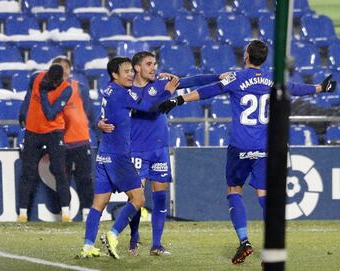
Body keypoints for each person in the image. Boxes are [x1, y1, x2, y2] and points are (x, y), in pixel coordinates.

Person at [158, 40, 337, 264]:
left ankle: (244, 240)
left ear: (246, 56)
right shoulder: (273, 79)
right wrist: (321, 88)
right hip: (265, 147)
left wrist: (178, 99)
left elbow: (208, 91)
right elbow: (297, 89)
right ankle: (272, 244)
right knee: (264, 195)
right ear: (263, 58)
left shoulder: (237, 77)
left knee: (234, 189)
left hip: (240, 146)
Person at [99, 51, 222, 256]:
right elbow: (148, 107)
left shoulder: (160, 83)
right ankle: (132, 237)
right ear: (137, 67)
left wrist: (217, 76)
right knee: (137, 199)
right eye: (149, 64)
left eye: (155, 63)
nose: (154, 67)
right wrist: (99, 123)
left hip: (160, 149)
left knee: (160, 197)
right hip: (137, 149)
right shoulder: (128, 91)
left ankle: (156, 244)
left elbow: (192, 81)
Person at [77, 57, 179, 260]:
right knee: (138, 198)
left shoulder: (108, 90)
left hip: (103, 154)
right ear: (115, 75)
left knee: (99, 203)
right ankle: (113, 234)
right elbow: (150, 108)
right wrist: (168, 91)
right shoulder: (123, 94)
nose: (131, 74)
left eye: (132, 71)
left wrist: (98, 122)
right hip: (118, 156)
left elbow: (105, 114)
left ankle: (88, 246)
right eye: (126, 71)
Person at [18, 64, 74, 223]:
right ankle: (22, 214)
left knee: (59, 170)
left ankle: (65, 213)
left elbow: (50, 114)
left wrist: (43, 93)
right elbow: (28, 96)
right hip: (33, 132)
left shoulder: (66, 89)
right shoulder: (36, 77)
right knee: (27, 172)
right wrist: (23, 111)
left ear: (58, 81)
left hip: (54, 132)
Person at [52, 56, 94, 222]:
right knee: (63, 180)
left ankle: (86, 214)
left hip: (81, 141)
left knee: (85, 179)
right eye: (59, 67)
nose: (63, 70)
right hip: (60, 143)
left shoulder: (80, 88)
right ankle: (65, 214)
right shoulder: (48, 90)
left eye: (66, 67)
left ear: (70, 70)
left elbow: (90, 113)